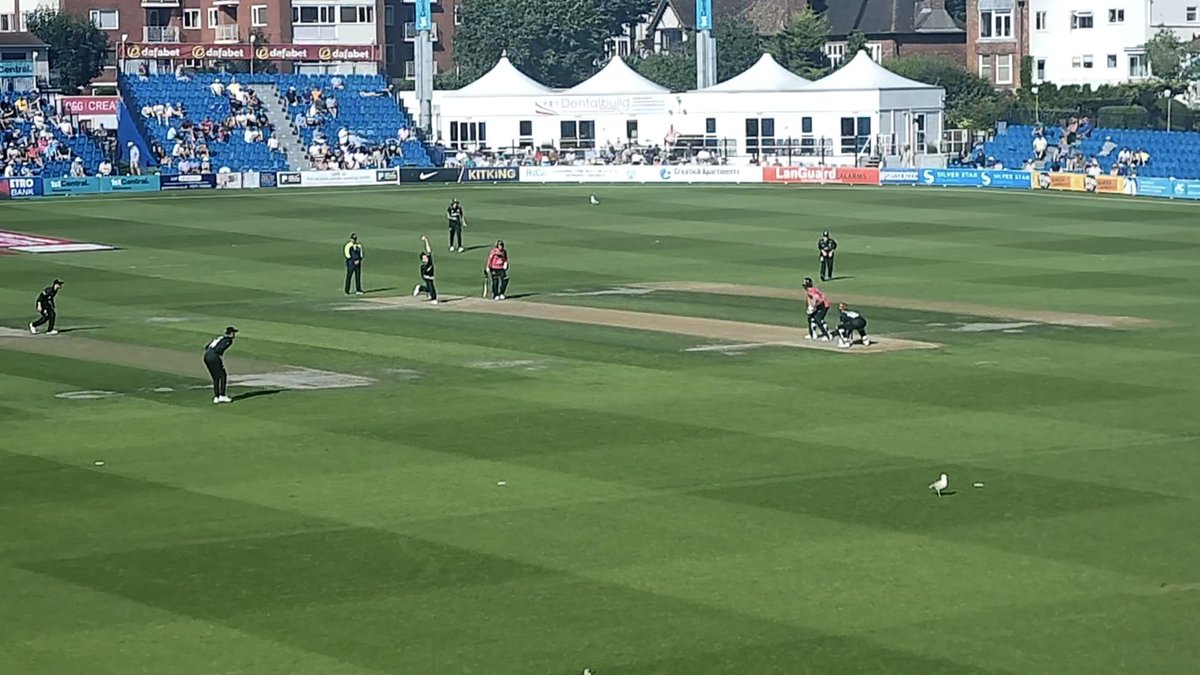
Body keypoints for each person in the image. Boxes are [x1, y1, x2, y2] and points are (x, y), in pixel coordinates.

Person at [204, 326, 238, 404]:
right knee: (223, 376)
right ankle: (222, 395)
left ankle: (216, 397)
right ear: (231, 333)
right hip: (214, 356)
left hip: (206, 355)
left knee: (216, 377)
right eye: (233, 333)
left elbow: (207, 347)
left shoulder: (219, 337)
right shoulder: (228, 340)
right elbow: (220, 349)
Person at [413, 236, 438, 304]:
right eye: (424, 258)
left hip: (430, 276)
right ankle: (434, 299)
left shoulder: (429, 261)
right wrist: (428, 277)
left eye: (426, 257)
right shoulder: (423, 267)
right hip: (427, 277)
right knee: (431, 286)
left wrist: (426, 240)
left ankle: (420, 288)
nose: (426, 258)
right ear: (422, 259)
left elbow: (429, 250)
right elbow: (423, 276)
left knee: (429, 289)